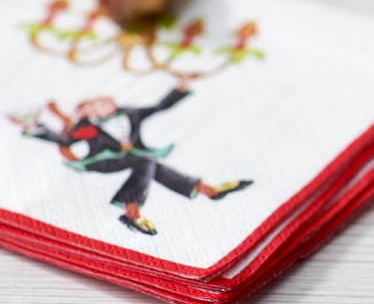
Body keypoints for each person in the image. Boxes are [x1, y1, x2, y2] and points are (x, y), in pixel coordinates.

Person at [20, 80, 252, 235]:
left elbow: (159, 106)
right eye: (97, 104)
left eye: (106, 101)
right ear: (88, 111)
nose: (105, 104)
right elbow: (65, 141)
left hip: (134, 156)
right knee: (146, 162)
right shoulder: (88, 127)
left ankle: (204, 191)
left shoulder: (130, 113)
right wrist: (36, 128)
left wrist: (179, 89)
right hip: (104, 161)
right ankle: (136, 210)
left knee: (150, 164)